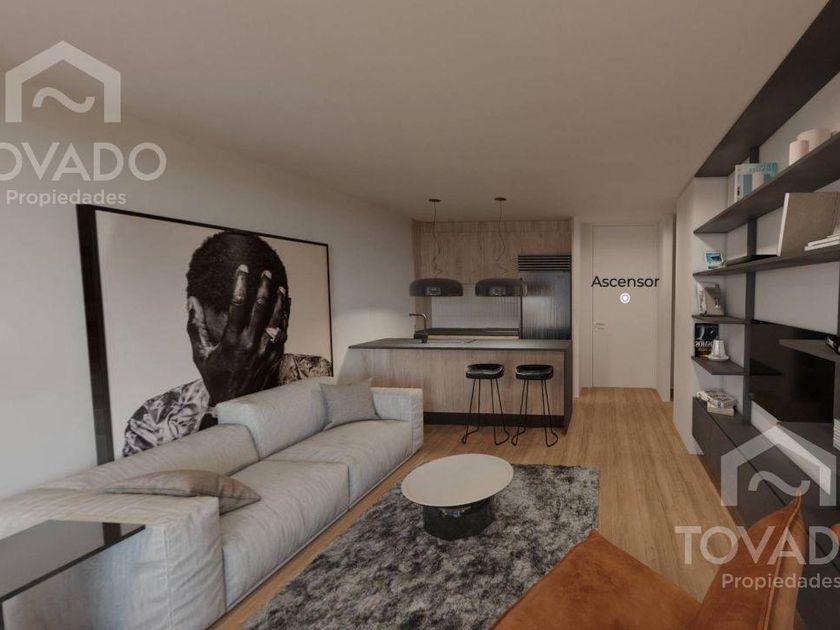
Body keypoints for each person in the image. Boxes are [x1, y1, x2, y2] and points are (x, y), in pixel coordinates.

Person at [122, 231, 331, 456]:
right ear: (195, 316)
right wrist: (228, 401)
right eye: (226, 345)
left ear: (285, 312)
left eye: (256, 336)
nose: (245, 356)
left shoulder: (316, 373)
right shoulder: (152, 423)